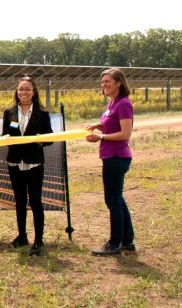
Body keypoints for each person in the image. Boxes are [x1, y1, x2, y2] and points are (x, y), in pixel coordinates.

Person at [1, 75, 53, 256]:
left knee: (36, 201)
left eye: (27, 89)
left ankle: (38, 240)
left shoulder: (42, 113)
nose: (24, 92)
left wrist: (40, 141)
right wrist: (6, 138)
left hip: (34, 163)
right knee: (20, 200)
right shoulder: (9, 112)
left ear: (34, 92)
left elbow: (49, 138)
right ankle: (22, 236)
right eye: (21, 89)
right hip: (15, 162)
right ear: (17, 91)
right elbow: (5, 134)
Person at [86, 68, 136, 256]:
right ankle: (127, 241)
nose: (104, 85)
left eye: (107, 81)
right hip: (110, 156)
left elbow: (125, 133)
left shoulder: (124, 104)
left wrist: (101, 137)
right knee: (118, 200)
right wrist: (99, 125)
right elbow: (113, 123)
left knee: (112, 201)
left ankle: (114, 243)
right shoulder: (112, 103)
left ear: (119, 83)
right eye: (102, 82)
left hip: (117, 157)